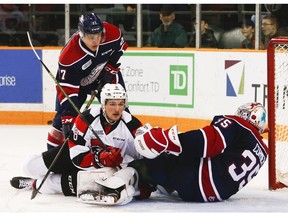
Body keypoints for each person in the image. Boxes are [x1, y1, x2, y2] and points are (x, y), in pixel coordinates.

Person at [78, 102, 269, 205]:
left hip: (196, 178)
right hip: (215, 194)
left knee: (148, 162)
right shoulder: (262, 150)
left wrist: (168, 140)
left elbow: (207, 141)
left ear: (245, 115)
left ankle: (114, 188)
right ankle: (147, 186)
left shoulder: (237, 124)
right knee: (164, 171)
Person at [10, 83, 143, 197]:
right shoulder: (87, 118)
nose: (117, 109)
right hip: (78, 157)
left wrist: (139, 181)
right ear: (103, 104)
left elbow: (139, 159)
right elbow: (76, 156)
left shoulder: (132, 125)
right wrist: (99, 158)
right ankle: (34, 176)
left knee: (60, 183)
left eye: (121, 104)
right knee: (29, 166)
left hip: (103, 171)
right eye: (112, 104)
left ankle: (34, 183)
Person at [46, 12, 128, 150]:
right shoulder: (69, 56)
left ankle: (126, 148)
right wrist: (69, 116)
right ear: (81, 34)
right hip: (76, 84)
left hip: (104, 76)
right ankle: (53, 155)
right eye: (91, 37)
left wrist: (110, 67)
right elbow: (67, 89)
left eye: (98, 36)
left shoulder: (111, 33)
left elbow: (120, 48)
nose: (96, 41)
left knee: (119, 109)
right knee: (62, 120)